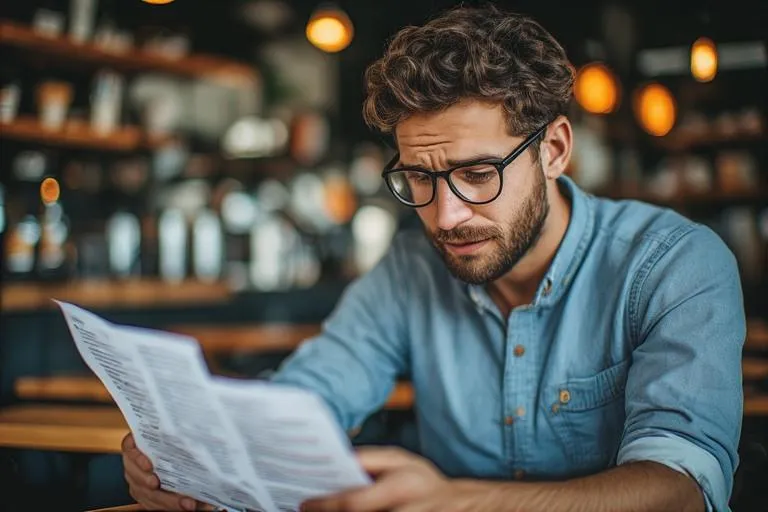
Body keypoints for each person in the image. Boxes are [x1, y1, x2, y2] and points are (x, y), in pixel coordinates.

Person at [122, 5, 745, 511]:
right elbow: (309, 399)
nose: (444, 217)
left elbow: (681, 488)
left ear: (553, 150)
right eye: (418, 177)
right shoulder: (407, 270)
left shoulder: (673, 265)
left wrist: (458, 502)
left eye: (477, 174)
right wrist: (204, 458)